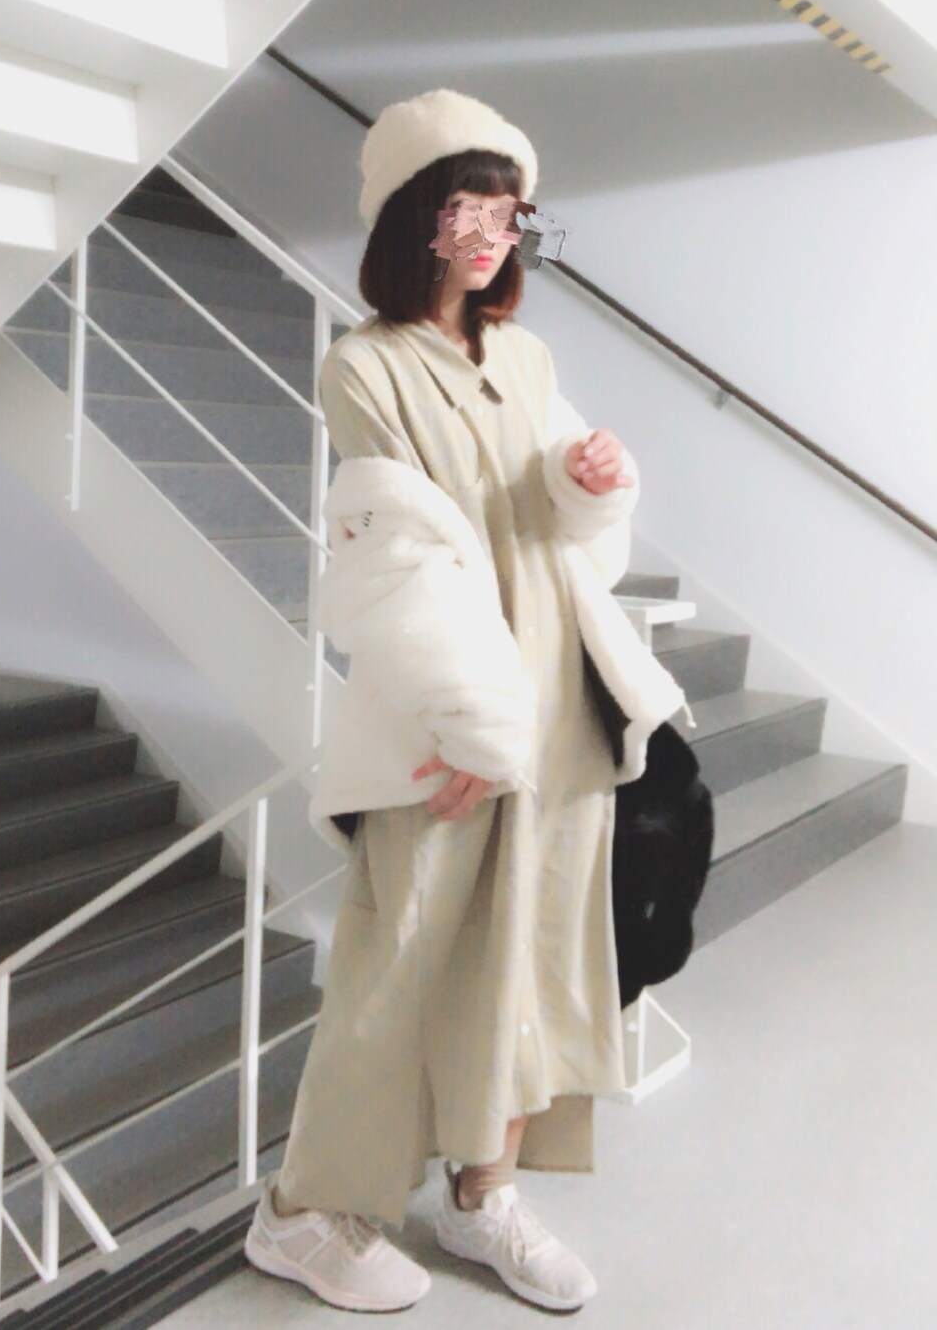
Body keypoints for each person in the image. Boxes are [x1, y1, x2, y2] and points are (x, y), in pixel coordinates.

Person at [243, 87, 666, 1316]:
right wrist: (474, 723)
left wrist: (595, 483)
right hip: (451, 717)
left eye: (506, 211)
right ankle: (303, 1211)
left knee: (536, 959)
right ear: (413, 218)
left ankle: (483, 1191)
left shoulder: (525, 357)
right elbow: (396, 557)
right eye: (464, 208)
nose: (489, 233)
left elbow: (566, 527)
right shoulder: (363, 366)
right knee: (399, 962)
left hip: (559, 710)